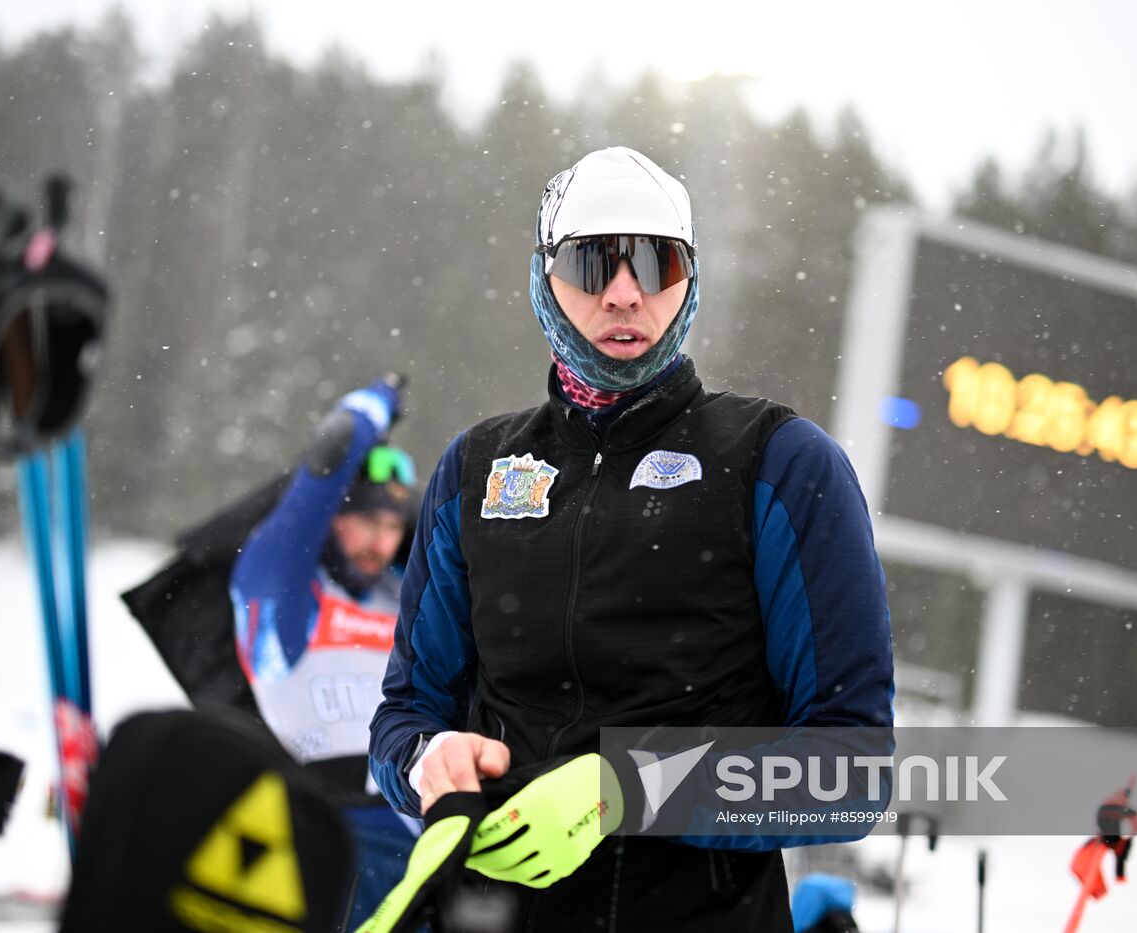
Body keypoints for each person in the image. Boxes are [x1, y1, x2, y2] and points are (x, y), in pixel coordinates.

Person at [368, 146, 894, 930]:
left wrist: (627, 788)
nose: (624, 292)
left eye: (656, 263)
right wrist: (424, 761)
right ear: (544, 276)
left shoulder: (779, 464)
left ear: (690, 278)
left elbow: (851, 772)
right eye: (592, 263)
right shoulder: (477, 469)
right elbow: (405, 715)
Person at [229, 376, 420, 930]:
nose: (378, 542)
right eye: (363, 520)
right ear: (330, 517)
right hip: (334, 834)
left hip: (433, 831)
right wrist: (373, 405)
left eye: (390, 525)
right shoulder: (281, 593)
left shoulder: (400, 594)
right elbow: (331, 454)